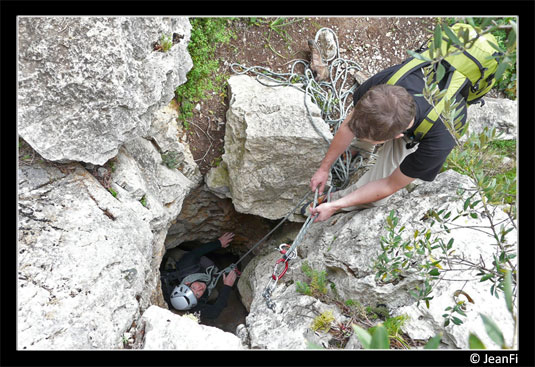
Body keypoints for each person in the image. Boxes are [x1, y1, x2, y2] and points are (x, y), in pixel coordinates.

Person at [307, 60, 468, 222]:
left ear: (397, 136)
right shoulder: (384, 86)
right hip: (412, 105)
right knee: (365, 128)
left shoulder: (441, 139)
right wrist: (324, 168)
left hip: (432, 123)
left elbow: (389, 184)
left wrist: (336, 205)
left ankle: (336, 200)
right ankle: (359, 149)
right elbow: (349, 126)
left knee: (377, 196)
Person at [165, 232, 238, 320]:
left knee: (177, 254)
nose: (199, 289)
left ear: (187, 283)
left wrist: (218, 243)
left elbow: (196, 253)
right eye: (197, 295)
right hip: (202, 279)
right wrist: (227, 286)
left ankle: (168, 256)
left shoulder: (188, 266)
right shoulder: (193, 305)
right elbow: (214, 313)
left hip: (186, 265)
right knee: (215, 294)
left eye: (194, 288)